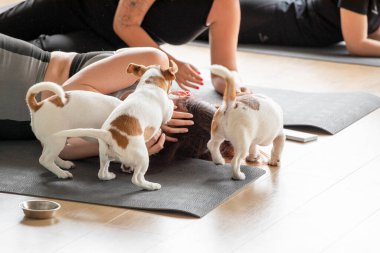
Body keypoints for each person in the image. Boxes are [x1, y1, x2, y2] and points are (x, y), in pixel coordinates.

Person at [0, 33, 197, 159]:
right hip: (20, 71)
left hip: (15, 123)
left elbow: (60, 147)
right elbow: (64, 97)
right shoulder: (154, 63)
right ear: (178, 94)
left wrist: (118, 144)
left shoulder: (129, 134)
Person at [0, 0, 243, 94]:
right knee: (5, 33)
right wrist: (174, 64)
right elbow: (125, 24)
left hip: (107, 44)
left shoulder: (226, 6)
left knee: (39, 56)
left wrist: (235, 89)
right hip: (73, 6)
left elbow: (223, 71)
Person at [237, 0, 380, 56]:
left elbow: (372, 31)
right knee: (222, 14)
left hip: (298, 24)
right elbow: (356, 44)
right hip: (283, 21)